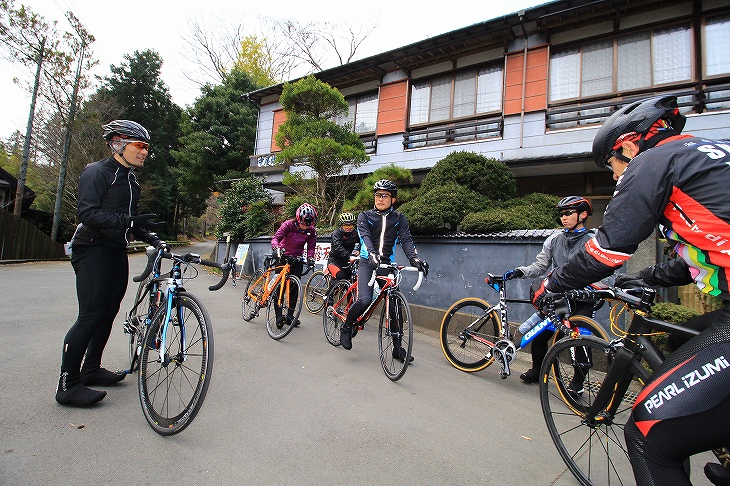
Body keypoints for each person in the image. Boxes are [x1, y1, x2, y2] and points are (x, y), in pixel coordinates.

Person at [530, 95, 730, 485]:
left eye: (612, 165)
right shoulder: (713, 155)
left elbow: (607, 249)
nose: (615, 174)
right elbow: (706, 252)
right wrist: (649, 276)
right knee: (690, 336)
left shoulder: (652, 163)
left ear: (628, 145)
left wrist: (552, 285)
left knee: (646, 436)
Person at [56, 120, 163, 407]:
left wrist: (151, 235)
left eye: (147, 148)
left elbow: (131, 221)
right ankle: (67, 384)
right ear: (118, 143)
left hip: (116, 248)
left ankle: (90, 369)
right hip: (90, 247)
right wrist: (127, 221)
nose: (144, 153)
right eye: (139, 146)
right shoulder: (97, 172)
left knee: (109, 311)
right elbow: (88, 214)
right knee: (91, 314)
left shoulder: (131, 180)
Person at [503, 196, 598, 388]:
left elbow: (603, 269)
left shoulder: (594, 240)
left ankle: (577, 384)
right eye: (561, 214)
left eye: (568, 213)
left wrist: (595, 288)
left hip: (583, 300)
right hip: (558, 299)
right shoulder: (554, 240)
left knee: (580, 342)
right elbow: (540, 265)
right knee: (539, 336)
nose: (564, 217)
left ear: (583, 215)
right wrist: (521, 271)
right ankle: (537, 370)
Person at [339, 180, 429, 361]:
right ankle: (347, 326)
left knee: (395, 305)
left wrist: (415, 259)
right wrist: (371, 254)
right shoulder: (365, 216)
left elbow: (406, 240)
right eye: (377, 194)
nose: (380, 198)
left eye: (385, 195)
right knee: (364, 299)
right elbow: (365, 237)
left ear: (393, 199)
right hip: (367, 261)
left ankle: (397, 348)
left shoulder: (400, 219)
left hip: (387, 263)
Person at [271, 203, 317, 328]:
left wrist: (310, 258)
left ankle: (290, 316)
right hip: (283, 256)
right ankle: (279, 315)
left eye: (307, 225)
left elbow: (311, 246)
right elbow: (276, 238)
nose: (304, 227)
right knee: (278, 286)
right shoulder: (288, 225)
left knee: (294, 288)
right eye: (302, 224)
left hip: (297, 259)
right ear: (298, 218)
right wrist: (276, 248)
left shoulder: (311, 230)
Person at [326, 212, 359, 303]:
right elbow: (338, 247)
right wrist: (349, 256)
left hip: (348, 262)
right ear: (341, 225)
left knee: (352, 283)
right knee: (341, 277)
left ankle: (350, 310)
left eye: (351, 225)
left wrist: (359, 250)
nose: (348, 227)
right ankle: (328, 297)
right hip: (335, 261)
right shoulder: (336, 233)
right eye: (345, 225)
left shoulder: (355, 234)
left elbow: (362, 243)